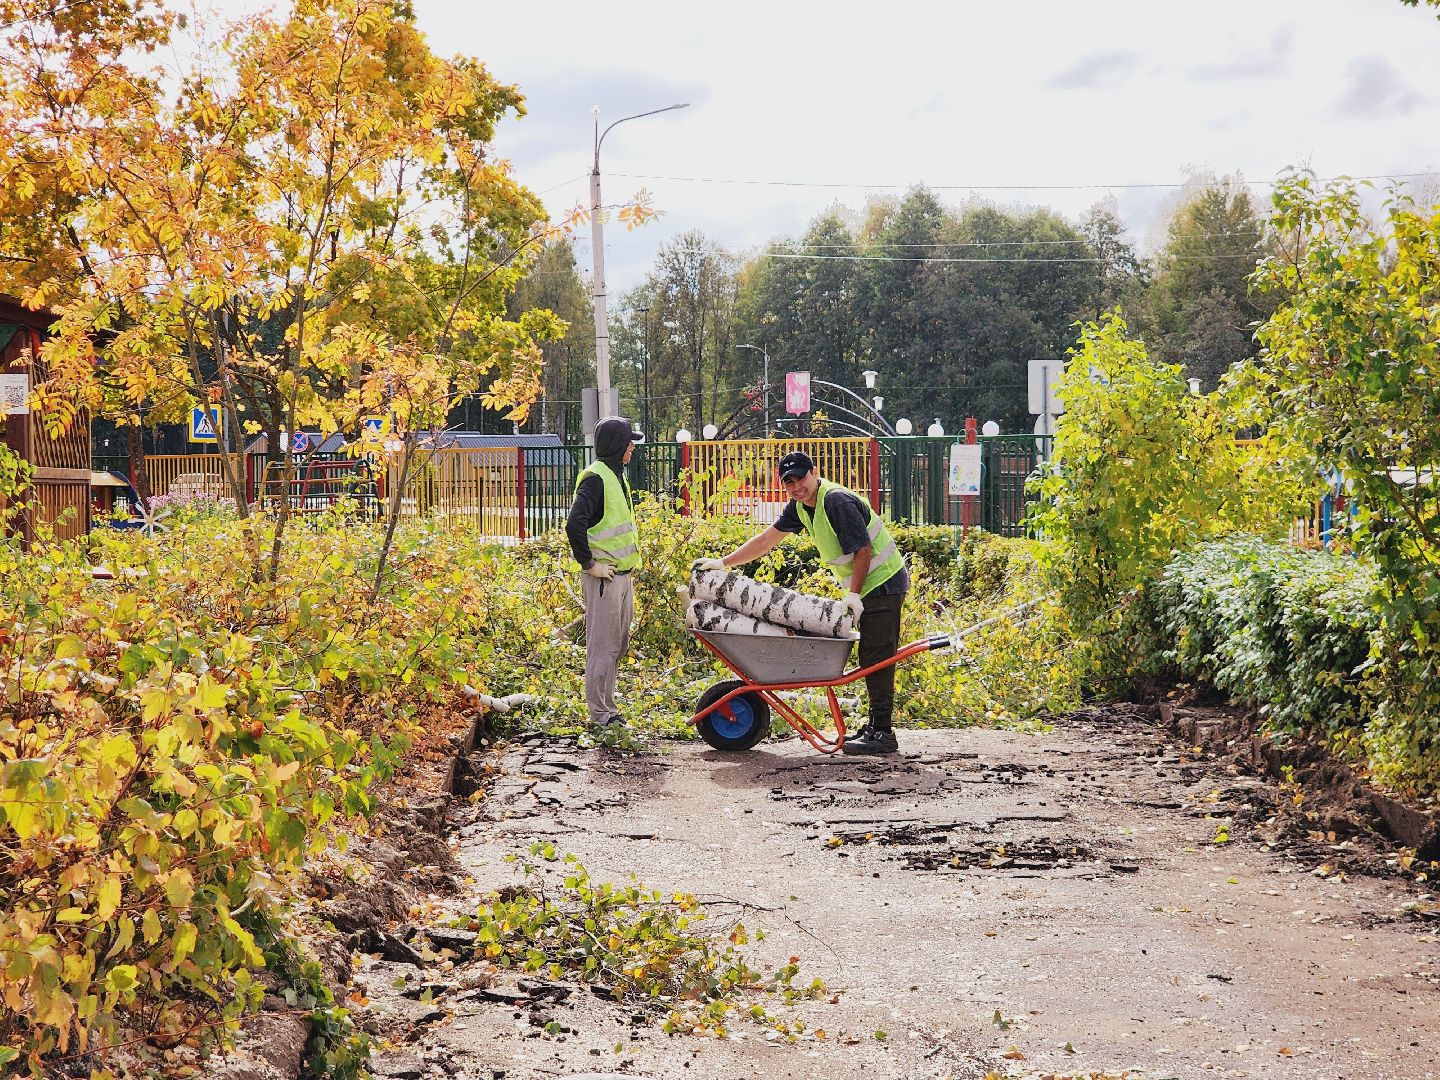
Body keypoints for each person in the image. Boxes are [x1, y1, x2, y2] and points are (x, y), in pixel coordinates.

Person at [696, 451, 908, 755]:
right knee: (871, 655)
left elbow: (863, 550)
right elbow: (767, 540)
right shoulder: (801, 506)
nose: (797, 487)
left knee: (876, 656)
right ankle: (875, 727)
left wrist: (854, 595)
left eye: (802, 478)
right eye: (790, 482)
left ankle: (883, 733)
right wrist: (723, 562)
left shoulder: (836, 501)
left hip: (883, 583)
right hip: (869, 585)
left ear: (815, 472)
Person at [567, 416, 645, 730]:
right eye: (629, 443)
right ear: (618, 446)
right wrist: (590, 565)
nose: (632, 449)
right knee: (603, 646)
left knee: (617, 645)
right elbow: (574, 524)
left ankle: (608, 708)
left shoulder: (615, 476)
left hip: (621, 576)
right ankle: (600, 715)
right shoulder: (596, 478)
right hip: (604, 578)